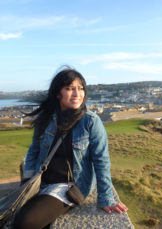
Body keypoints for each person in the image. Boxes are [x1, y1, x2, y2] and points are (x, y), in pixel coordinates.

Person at [13, 67, 128, 229]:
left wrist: (106, 199)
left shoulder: (90, 121)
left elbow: (101, 162)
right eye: (69, 88)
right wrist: (27, 180)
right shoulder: (46, 118)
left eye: (80, 89)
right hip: (41, 181)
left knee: (25, 222)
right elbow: (34, 150)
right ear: (57, 93)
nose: (77, 94)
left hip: (68, 186)